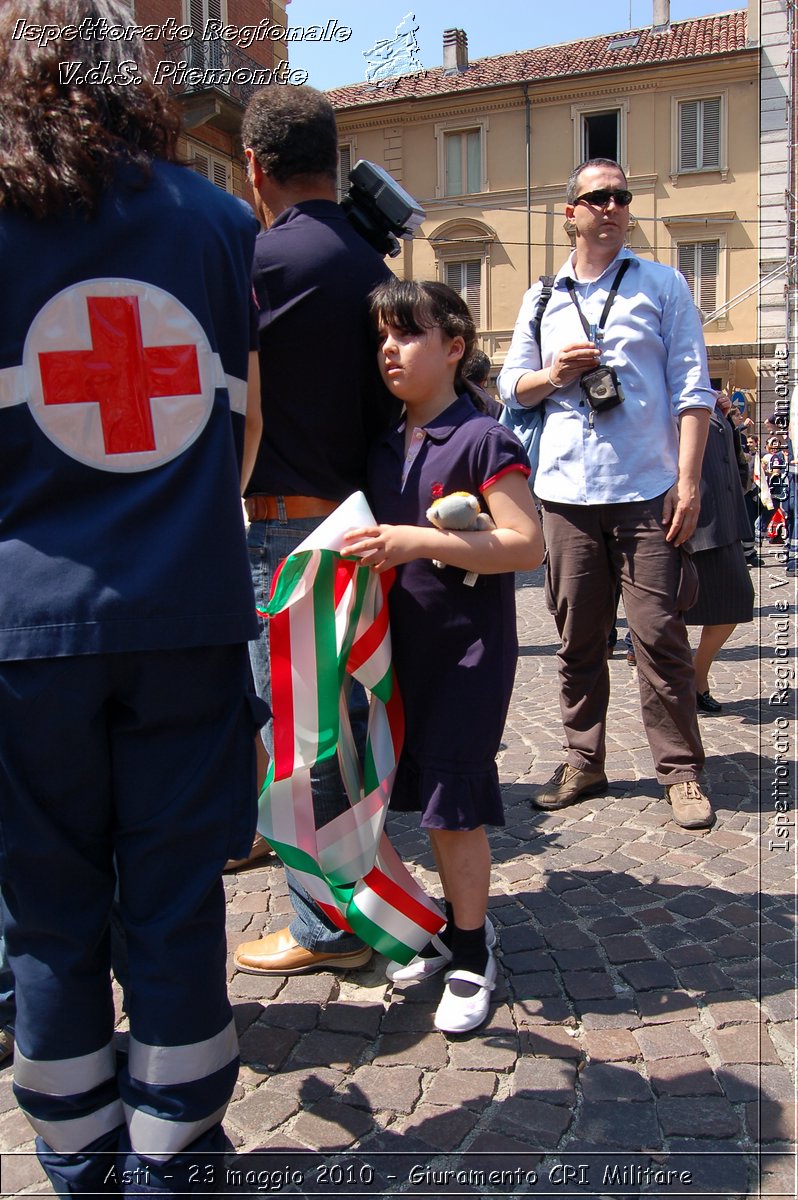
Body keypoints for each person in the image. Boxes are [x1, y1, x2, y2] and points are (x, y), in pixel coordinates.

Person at [0, 3, 265, 1193]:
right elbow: (240, 432)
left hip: (24, 628)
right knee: (175, 896)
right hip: (187, 615)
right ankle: (177, 1156)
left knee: (45, 914)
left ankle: (77, 1161)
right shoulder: (216, 222)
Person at [344, 280, 543, 1032]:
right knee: (423, 797)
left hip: (467, 650)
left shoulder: (482, 437)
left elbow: (524, 543)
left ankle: (471, 952)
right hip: (401, 653)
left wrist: (417, 541)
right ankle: (450, 923)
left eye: (409, 335)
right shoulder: (383, 443)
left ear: (455, 349)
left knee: (454, 807)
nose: (390, 350)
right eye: (383, 339)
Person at [498, 157, 716, 832]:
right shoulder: (541, 297)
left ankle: (680, 773)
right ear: (571, 212)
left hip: (647, 490)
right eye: (599, 198)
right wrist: (554, 371)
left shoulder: (662, 285)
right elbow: (510, 389)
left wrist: (688, 481)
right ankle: (582, 760)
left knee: (660, 637)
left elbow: (693, 390)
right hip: (564, 492)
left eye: (622, 196)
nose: (613, 206)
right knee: (576, 642)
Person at [233, 86, 395, 978]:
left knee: (302, 734)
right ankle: (338, 883)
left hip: (285, 529)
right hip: (362, 525)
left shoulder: (255, 261)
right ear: (334, 158)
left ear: (254, 166)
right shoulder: (373, 258)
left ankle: (327, 928)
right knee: (346, 724)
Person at [685, 396, 755, 713]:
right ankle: (685, 681)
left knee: (736, 600)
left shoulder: (713, 407)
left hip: (725, 520)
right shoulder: (674, 401)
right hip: (697, 522)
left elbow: (732, 459)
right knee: (672, 608)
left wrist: (724, 417)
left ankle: (693, 675)